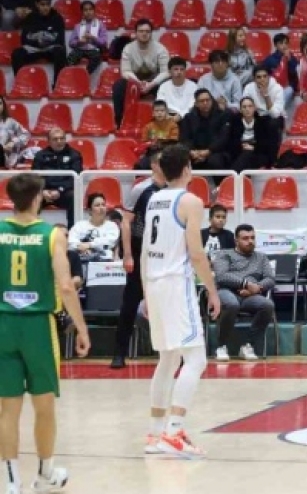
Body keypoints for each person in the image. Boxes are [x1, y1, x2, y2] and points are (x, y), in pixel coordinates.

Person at [0, 174, 89, 494]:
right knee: (44, 405)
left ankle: (12, 482)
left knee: (7, 409)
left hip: (3, 323)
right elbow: (66, 286)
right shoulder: (52, 235)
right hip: (38, 325)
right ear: (38, 198)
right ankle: (45, 474)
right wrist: (81, 328)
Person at [139, 144, 220, 458]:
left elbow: (145, 251)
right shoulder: (191, 201)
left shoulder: (154, 199)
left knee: (168, 359)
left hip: (154, 282)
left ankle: (155, 434)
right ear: (187, 168)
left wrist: (146, 291)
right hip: (175, 283)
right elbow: (196, 253)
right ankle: (174, 432)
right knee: (196, 359)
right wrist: (212, 290)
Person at [110, 150, 165, 369]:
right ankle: (119, 352)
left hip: (163, 250)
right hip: (140, 247)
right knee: (130, 303)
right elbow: (126, 222)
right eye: (162, 162)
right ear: (153, 165)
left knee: (165, 302)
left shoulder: (174, 189)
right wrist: (127, 254)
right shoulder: (141, 189)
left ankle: (170, 353)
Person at [211, 224, 275, 362]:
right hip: (227, 291)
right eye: (245, 238)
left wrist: (257, 288)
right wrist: (246, 284)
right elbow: (221, 276)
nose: (250, 241)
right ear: (236, 240)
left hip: (250, 295)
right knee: (231, 304)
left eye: (252, 238)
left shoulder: (261, 257)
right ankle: (221, 346)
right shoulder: (224, 254)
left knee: (267, 305)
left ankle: (248, 345)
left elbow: (270, 279)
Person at [68, 193, 121, 262]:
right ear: (90, 211)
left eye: (103, 205)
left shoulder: (112, 226)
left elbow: (109, 242)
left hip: (104, 262)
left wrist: (89, 245)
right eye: (97, 205)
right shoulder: (80, 225)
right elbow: (71, 241)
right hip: (81, 261)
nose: (101, 208)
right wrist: (80, 247)